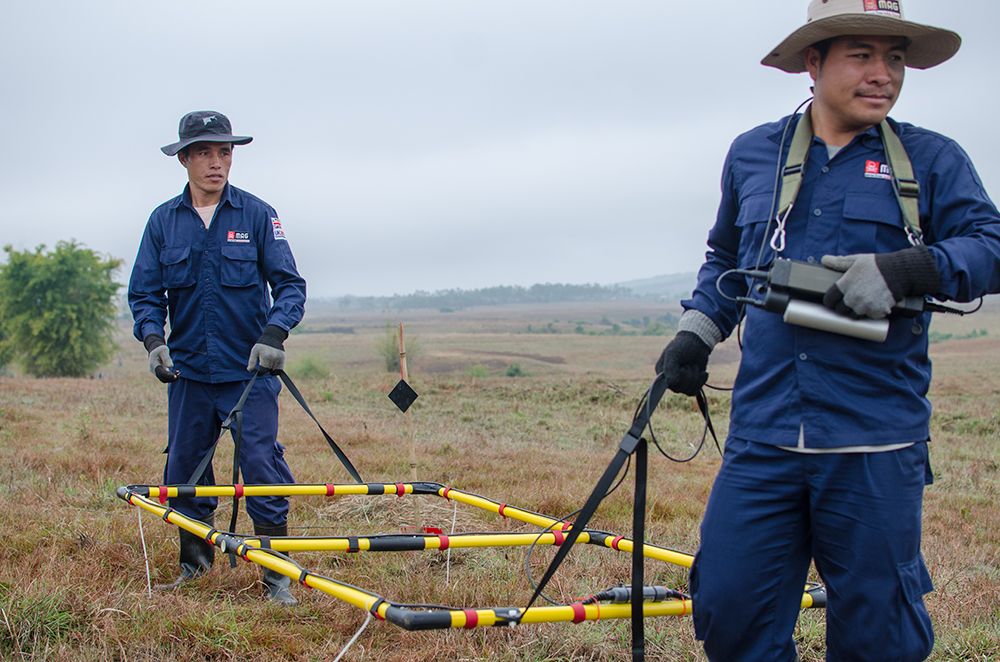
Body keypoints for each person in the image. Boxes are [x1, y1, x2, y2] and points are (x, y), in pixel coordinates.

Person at [655, 1, 1000, 660]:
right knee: (729, 608)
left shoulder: (931, 160)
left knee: (880, 634)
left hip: (875, 440)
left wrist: (910, 268)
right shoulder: (754, 154)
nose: (883, 75)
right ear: (812, 63)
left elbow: (993, 244)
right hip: (764, 437)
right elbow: (726, 260)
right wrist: (698, 330)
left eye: (894, 58)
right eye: (862, 56)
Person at [128, 110, 306, 605]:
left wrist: (274, 334)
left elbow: (290, 285)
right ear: (183, 158)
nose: (216, 162)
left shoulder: (257, 214)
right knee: (184, 469)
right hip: (187, 373)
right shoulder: (163, 221)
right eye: (204, 152)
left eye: (224, 152)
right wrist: (153, 341)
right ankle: (195, 567)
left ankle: (277, 577)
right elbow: (145, 293)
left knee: (262, 465)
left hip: (249, 374)